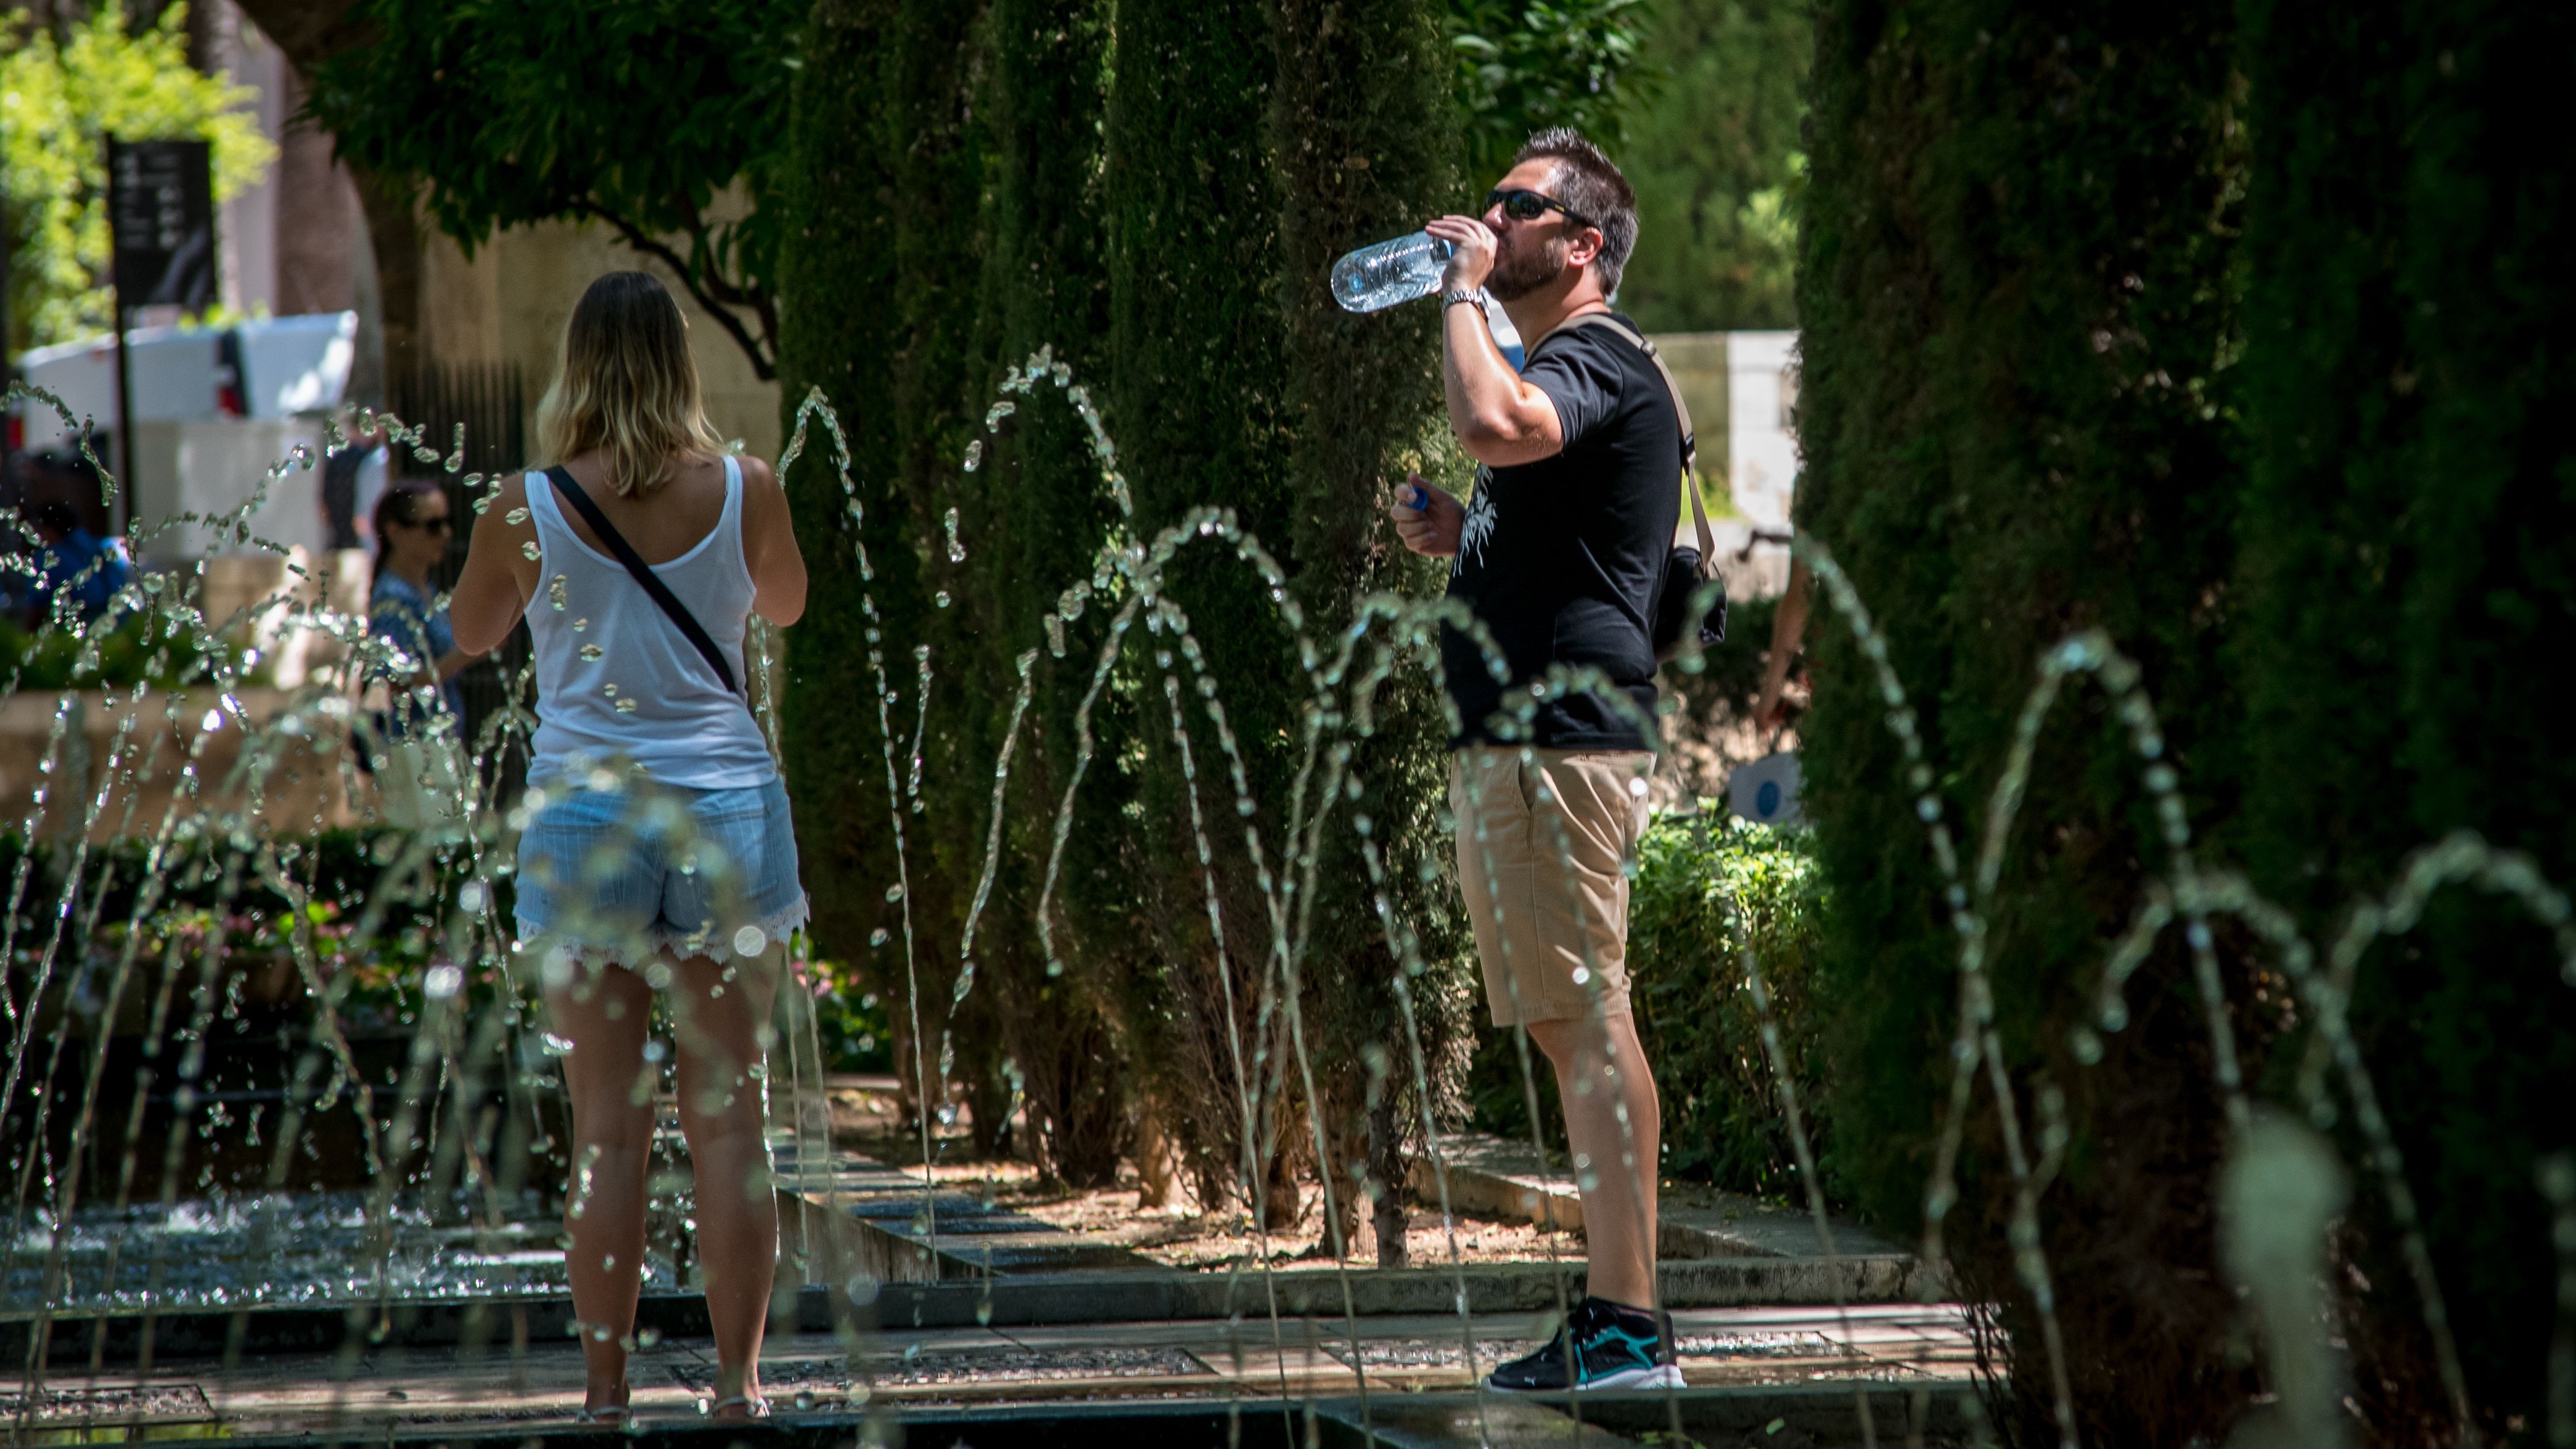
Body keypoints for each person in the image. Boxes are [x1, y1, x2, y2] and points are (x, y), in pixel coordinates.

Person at [450, 271, 809, 1425]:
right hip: (726, 806)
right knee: (728, 1113)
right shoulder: (747, 485)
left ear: (576, 367)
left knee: (604, 1124)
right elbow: (788, 604)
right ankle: (738, 1386)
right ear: (680, 361)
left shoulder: (525, 504)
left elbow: (469, 632)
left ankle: (605, 1397)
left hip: (583, 812)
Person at [1389, 128, 1685, 1393]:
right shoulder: (1578, 364)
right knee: (1575, 1021)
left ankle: (1626, 1328)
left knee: (1587, 1012)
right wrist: (1465, 533)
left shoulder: (1595, 355)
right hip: (1528, 736)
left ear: (1577, 244)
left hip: (1557, 739)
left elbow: (1497, 419)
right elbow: (1544, 496)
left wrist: (1458, 289)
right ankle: (1615, 1320)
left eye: (1512, 204)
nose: (1484, 215)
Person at [366, 480, 477, 734]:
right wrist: (468, 653)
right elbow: (397, 683)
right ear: (395, 532)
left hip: (438, 740)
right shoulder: (393, 597)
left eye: (447, 522)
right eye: (433, 526)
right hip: (413, 744)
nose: (446, 533)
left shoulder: (424, 588)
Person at [24, 495, 132, 626]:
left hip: (81, 624)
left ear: (50, 530)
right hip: (119, 625)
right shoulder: (99, 548)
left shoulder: (51, 557)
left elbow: (33, 607)